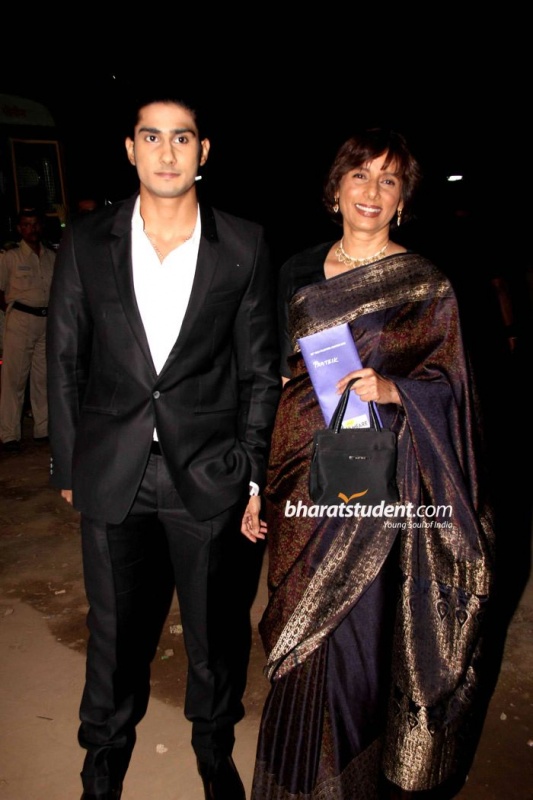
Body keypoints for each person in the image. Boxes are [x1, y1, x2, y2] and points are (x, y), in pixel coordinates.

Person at [245, 129, 494, 799]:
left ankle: (350, 779)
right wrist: (255, 484)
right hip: (299, 474)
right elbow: (276, 379)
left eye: (389, 180)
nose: (372, 191)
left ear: (403, 200)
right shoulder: (295, 270)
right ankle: (296, 780)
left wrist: (396, 390)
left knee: (355, 632)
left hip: (378, 481)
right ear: (335, 188)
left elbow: (454, 386)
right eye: (360, 175)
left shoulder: (425, 283)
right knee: (299, 623)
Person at [47, 92, 280, 800]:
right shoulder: (86, 241)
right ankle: (102, 760)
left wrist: (249, 472)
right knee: (114, 634)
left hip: (206, 475)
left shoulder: (243, 243)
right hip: (112, 472)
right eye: (152, 137)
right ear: (130, 149)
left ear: (202, 151)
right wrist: (68, 463)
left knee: (214, 634)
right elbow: (64, 358)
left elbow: (258, 370)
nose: (167, 152)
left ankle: (213, 751)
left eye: (182, 138)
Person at [0, 208, 55, 452]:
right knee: (14, 379)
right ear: (19, 228)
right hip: (21, 319)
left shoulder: (51, 256)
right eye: (26, 225)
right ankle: (9, 434)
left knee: (43, 378)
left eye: (35, 224)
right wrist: (10, 314)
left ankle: (43, 428)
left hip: (46, 320)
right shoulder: (10, 257)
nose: (31, 229)